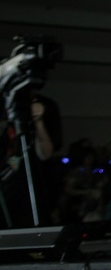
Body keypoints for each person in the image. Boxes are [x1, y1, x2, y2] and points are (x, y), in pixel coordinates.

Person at [0, 89, 63, 228]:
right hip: (5, 193)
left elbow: (45, 153)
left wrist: (38, 122)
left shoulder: (43, 105)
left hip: (31, 193)